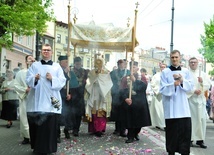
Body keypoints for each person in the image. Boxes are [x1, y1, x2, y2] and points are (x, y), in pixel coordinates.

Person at [26, 43, 66, 155]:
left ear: (52, 52)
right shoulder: (35, 66)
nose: (46, 52)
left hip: (50, 102)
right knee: (37, 127)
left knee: (49, 127)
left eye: (48, 50)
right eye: (44, 50)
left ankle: (49, 148)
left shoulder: (57, 67)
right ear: (41, 52)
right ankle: (37, 148)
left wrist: (52, 78)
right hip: (37, 102)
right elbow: (28, 80)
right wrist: (35, 78)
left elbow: (62, 82)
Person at [160, 50, 194, 155]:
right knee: (172, 133)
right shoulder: (165, 72)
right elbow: (162, 88)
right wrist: (173, 85)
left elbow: (191, 87)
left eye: (176, 57)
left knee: (185, 133)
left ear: (180, 58)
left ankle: (184, 152)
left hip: (183, 107)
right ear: (170, 58)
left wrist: (182, 80)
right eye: (172, 57)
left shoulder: (186, 71)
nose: (174, 59)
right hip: (171, 107)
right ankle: (171, 151)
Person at [119, 61, 151, 143]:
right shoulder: (125, 78)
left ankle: (136, 133)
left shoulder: (142, 77)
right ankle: (130, 136)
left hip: (140, 102)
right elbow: (122, 90)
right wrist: (125, 98)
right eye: (131, 67)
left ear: (137, 68)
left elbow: (143, 87)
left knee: (139, 122)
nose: (132, 69)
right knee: (130, 120)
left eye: (134, 67)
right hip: (130, 102)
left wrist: (135, 80)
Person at [85, 58, 113, 137]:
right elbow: (89, 82)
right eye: (96, 64)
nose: (98, 66)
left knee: (101, 112)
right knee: (93, 112)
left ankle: (100, 129)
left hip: (102, 95)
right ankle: (93, 129)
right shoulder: (92, 72)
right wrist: (94, 80)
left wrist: (101, 81)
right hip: (94, 92)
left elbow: (108, 83)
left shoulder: (106, 72)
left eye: (99, 64)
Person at [187, 57, 211, 149]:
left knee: (201, 120)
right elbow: (184, 85)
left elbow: (208, 85)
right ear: (189, 64)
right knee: (191, 121)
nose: (193, 64)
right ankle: (190, 139)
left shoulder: (203, 74)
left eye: (195, 62)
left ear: (197, 63)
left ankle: (200, 140)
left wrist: (202, 82)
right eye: (191, 62)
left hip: (200, 101)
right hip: (191, 100)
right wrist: (193, 90)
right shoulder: (186, 74)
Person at [14, 55, 35, 144]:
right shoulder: (20, 73)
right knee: (24, 118)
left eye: (33, 59)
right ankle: (26, 137)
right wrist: (25, 90)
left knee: (35, 118)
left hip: (35, 99)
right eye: (29, 59)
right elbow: (16, 85)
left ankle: (34, 137)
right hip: (25, 98)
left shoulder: (38, 72)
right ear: (26, 62)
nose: (31, 60)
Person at [110, 59, 130, 137]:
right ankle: (117, 128)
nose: (124, 65)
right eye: (122, 63)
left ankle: (123, 129)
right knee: (116, 111)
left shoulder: (128, 72)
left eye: (125, 63)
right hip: (115, 94)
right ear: (118, 64)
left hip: (124, 94)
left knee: (124, 112)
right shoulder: (113, 73)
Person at [70, 56, 89, 136]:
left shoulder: (85, 71)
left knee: (79, 113)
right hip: (73, 93)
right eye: (77, 64)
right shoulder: (71, 71)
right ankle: (72, 127)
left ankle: (76, 129)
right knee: (72, 113)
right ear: (74, 64)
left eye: (79, 63)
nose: (78, 65)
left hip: (81, 93)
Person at [57, 55, 72, 143]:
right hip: (59, 95)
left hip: (66, 96)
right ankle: (57, 134)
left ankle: (66, 130)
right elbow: (61, 81)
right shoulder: (57, 70)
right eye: (65, 62)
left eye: (67, 61)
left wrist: (70, 94)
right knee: (58, 116)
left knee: (67, 115)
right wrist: (65, 73)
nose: (67, 63)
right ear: (61, 62)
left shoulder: (69, 71)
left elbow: (71, 84)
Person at [150, 63, 167, 130]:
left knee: (163, 111)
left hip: (165, 96)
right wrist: (158, 91)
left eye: (164, 67)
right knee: (158, 110)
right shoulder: (156, 76)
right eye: (161, 67)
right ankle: (157, 123)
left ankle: (164, 124)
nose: (163, 68)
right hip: (158, 95)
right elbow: (152, 84)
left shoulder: (168, 75)